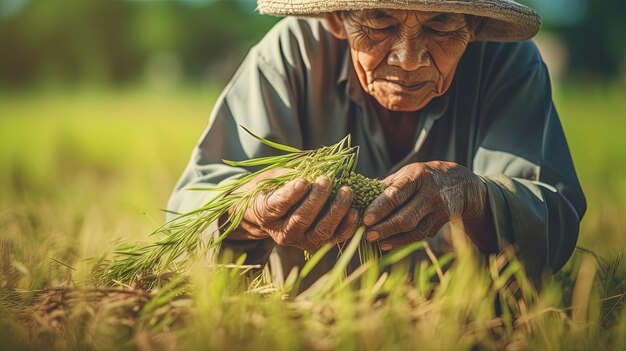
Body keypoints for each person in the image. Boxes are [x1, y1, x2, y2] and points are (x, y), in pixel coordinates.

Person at [167, 0, 586, 282]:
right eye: (380, 23)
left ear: (473, 25)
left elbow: (552, 219)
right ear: (338, 20)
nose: (408, 57)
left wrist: (473, 195)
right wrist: (252, 208)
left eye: (440, 24)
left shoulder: (508, 64)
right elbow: (190, 210)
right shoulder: (289, 56)